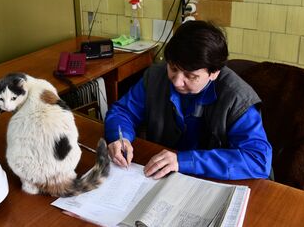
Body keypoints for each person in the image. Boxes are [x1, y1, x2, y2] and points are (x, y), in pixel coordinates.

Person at [105, 20, 272, 180]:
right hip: (163, 175)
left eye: (190, 76)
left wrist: (184, 161)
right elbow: (124, 111)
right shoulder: (155, 77)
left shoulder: (236, 98)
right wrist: (120, 137)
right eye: (173, 68)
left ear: (214, 73)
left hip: (214, 182)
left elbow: (257, 160)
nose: (177, 82)